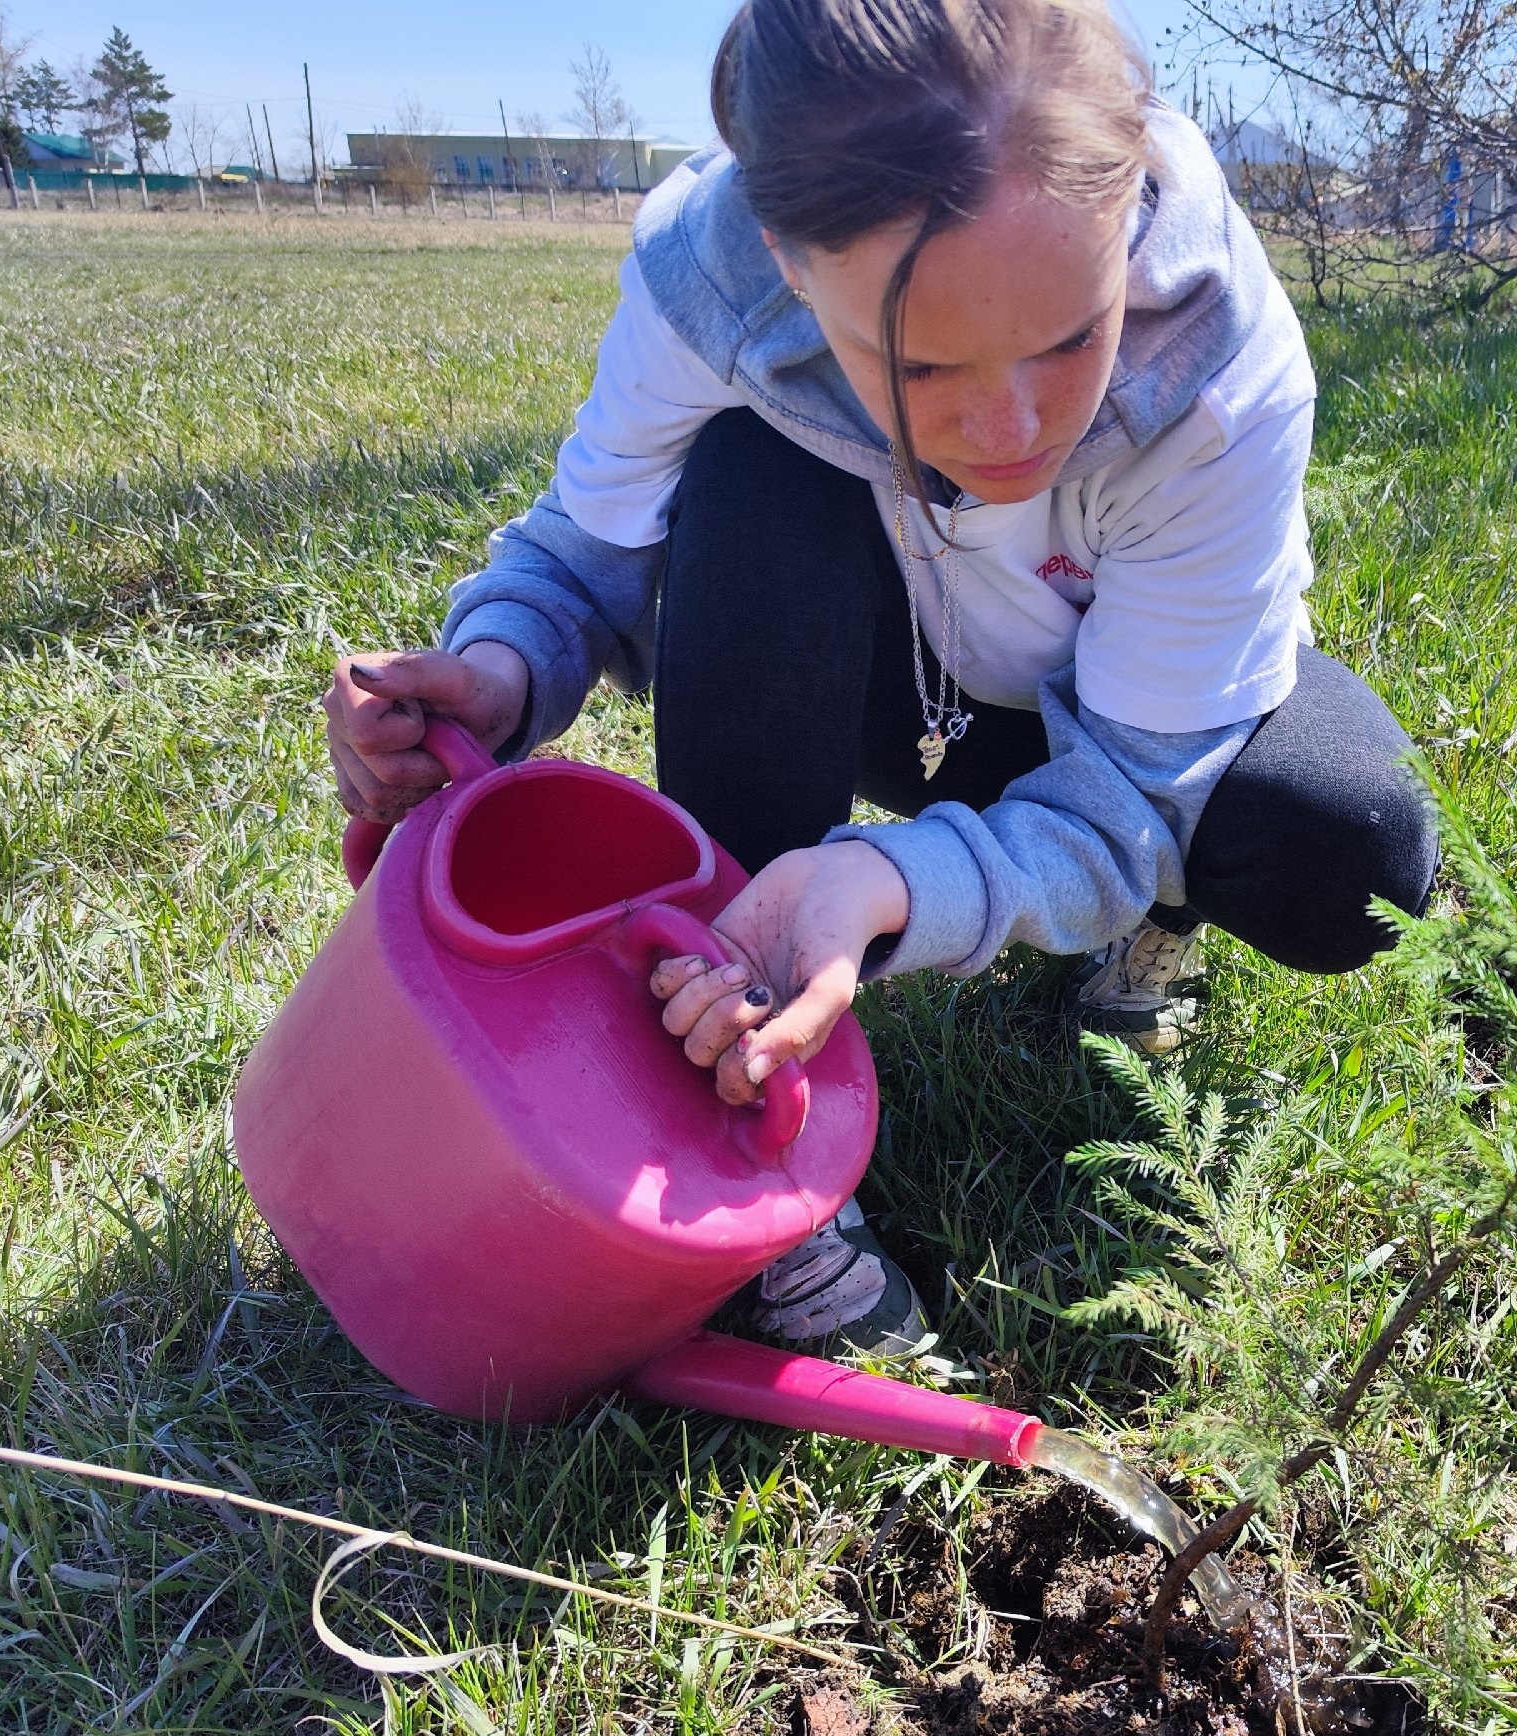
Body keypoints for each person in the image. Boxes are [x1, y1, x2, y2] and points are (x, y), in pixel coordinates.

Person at [320, 0, 1436, 1357]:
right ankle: (734, 1042)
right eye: (923, 367)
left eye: (1070, 339)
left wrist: (901, 885)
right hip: (864, 679)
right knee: (751, 472)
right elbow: (586, 548)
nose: (1014, 428)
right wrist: (502, 669)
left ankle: (1145, 926)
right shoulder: (712, 279)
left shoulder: (1221, 373)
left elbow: (1139, 781)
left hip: (1098, 727)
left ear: (1128, 205)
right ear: (792, 263)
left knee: (1348, 842)